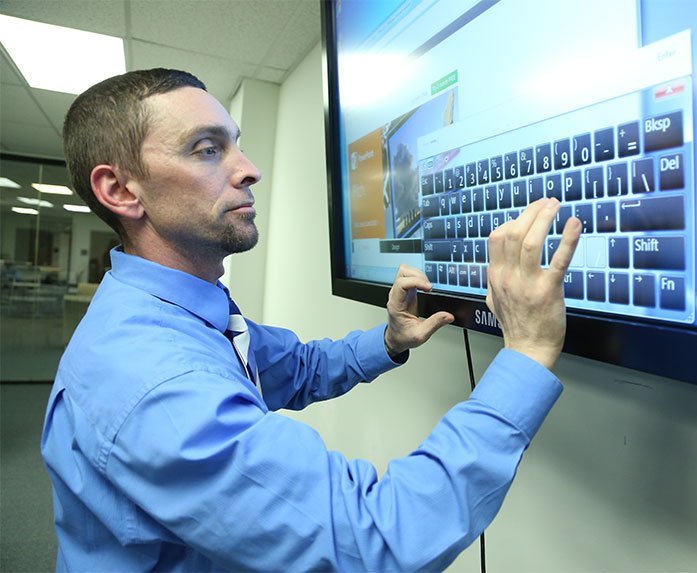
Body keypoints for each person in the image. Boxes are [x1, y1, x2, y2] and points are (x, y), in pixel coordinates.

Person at [41, 68, 582, 572]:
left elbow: (291, 366)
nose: (248, 168)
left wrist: (390, 340)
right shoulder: (155, 382)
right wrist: (526, 353)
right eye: (208, 150)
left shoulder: (181, 310)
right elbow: (378, 536)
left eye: (236, 142)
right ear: (120, 191)